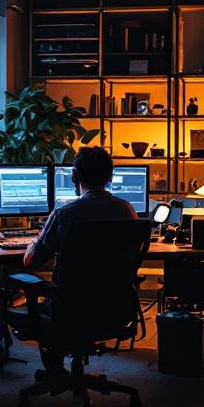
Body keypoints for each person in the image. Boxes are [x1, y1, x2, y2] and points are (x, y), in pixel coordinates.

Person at [20, 147, 138, 375]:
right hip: (115, 308)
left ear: (74, 177)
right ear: (110, 177)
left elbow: (30, 262)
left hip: (69, 310)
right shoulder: (127, 210)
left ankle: (56, 360)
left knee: (31, 292)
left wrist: (38, 237)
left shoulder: (65, 214)